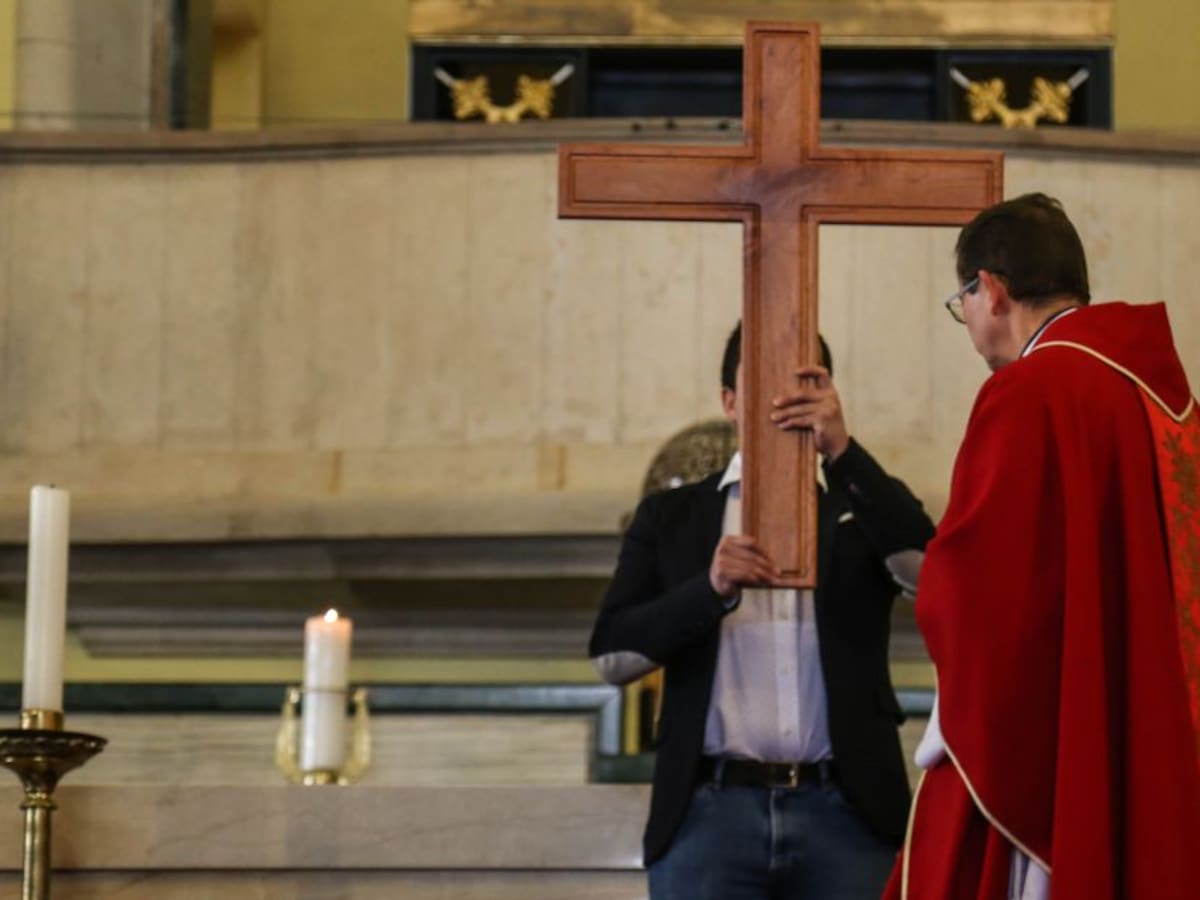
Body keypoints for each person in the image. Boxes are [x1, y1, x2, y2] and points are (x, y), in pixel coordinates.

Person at [885, 192, 1200, 900]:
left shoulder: (1031, 391)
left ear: (989, 290)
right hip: (1161, 747)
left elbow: (974, 595)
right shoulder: (1170, 404)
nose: (963, 318)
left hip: (1069, 753)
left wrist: (933, 583)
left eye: (958, 300)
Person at [589, 323, 935, 900]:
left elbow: (933, 577)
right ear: (729, 401)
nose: (785, 399)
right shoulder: (672, 517)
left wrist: (843, 452)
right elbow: (610, 656)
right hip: (711, 813)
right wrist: (710, 589)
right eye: (765, 383)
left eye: (805, 382)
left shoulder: (859, 508)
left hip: (844, 814)